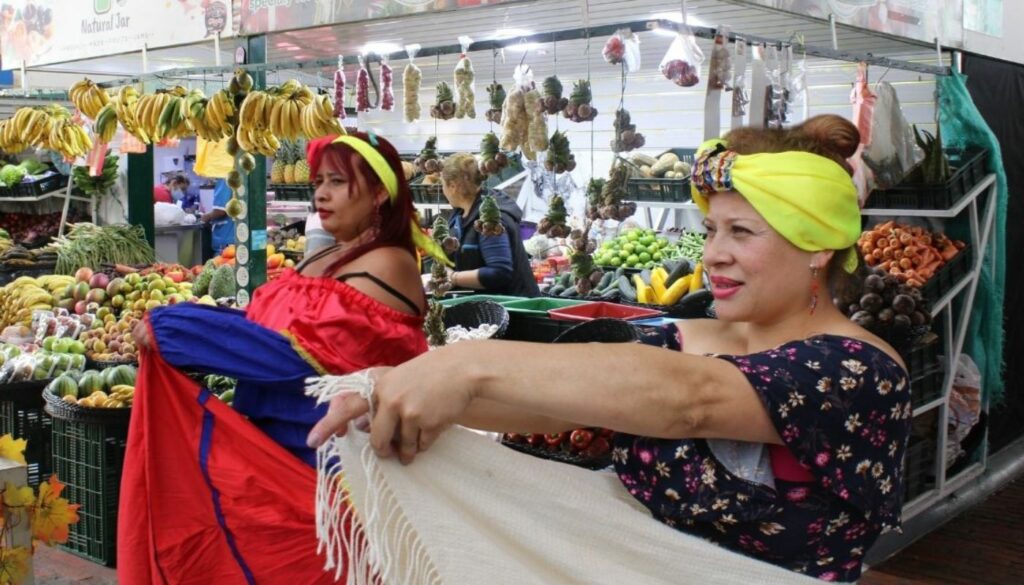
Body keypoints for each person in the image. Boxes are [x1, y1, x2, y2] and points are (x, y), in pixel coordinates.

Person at [309, 116, 911, 583]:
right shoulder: (688, 334)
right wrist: (392, 390)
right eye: (710, 231)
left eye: (742, 232)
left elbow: (687, 399)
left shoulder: (861, 370)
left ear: (818, 248)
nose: (714, 255)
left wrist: (463, 364)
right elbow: (556, 403)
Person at [119, 132, 448, 583]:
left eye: (337, 181)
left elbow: (302, 361)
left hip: (331, 480)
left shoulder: (390, 262)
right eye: (318, 181)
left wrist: (181, 330)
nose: (321, 193)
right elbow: (269, 331)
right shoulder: (333, 253)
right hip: (273, 463)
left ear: (378, 192)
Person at [439, 153, 540, 297]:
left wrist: (453, 277)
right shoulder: (460, 214)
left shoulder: (490, 216)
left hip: (512, 310)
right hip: (484, 308)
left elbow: (499, 272)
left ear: (453, 186)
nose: (442, 190)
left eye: (442, 184)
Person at [200, 178, 235, 255]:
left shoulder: (224, 180)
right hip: (234, 239)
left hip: (226, 241)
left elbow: (220, 211)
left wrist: (206, 217)